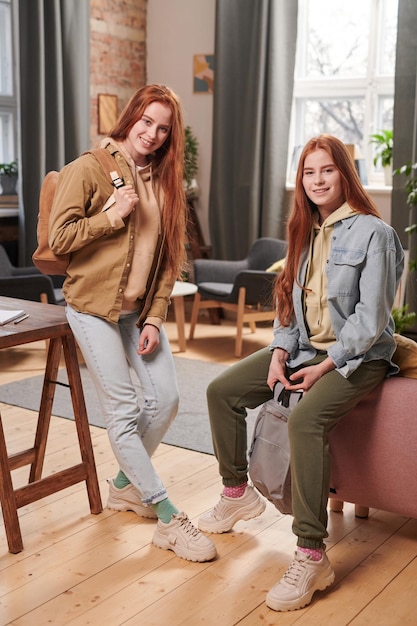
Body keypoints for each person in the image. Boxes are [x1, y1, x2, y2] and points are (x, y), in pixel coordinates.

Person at [198, 134, 404, 609]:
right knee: (221, 390)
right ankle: (236, 493)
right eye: (308, 173)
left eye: (326, 170)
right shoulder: (303, 230)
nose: (317, 181)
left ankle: (311, 555)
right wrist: (278, 352)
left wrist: (325, 366)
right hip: (305, 348)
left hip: (361, 358)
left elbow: (371, 321)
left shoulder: (375, 233)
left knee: (307, 419)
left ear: (344, 174)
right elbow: (288, 305)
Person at [49, 84, 216, 563]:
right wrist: (111, 215)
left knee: (166, 399)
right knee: (123, 410)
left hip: (137, 313)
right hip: (92, 306)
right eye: (147, 122)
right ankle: (167, 516)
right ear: (131, 117)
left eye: (163, 129)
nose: (153, 134)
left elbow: (168, 261)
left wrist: (156, 316)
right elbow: (61, 240)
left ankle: (123, 486)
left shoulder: (164, 181)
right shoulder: (90, 168)